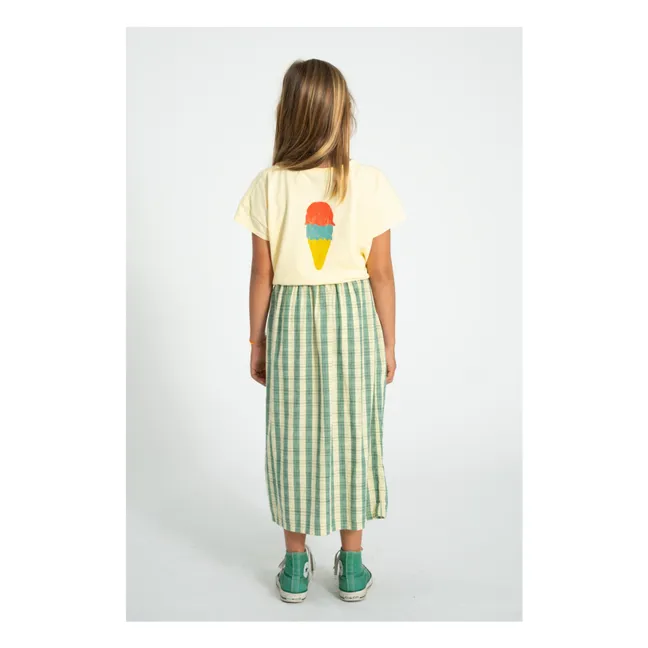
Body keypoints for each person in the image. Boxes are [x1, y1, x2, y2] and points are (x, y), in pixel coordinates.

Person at [234, 59, 405, 603]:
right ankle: (352, 567)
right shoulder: (369, 182)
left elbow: (261, 273)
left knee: (292, 437)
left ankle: (293, 568)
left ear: (287, 114)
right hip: (354, 318)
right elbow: (381, 273)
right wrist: (388, 343)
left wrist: (257, 340)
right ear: (342, 115)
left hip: (290, 320)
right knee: (355, 433)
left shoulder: (269, 186)